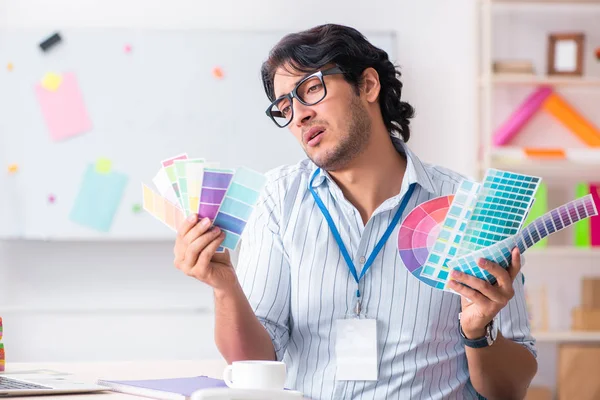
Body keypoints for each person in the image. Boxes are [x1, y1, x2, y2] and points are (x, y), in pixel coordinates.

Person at [173, 24, 537, 400]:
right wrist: (224, 289)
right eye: (285, 107)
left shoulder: (467, 207)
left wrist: (478, 333)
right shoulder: (279, 199)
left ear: (367, 85)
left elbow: (510, 390)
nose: (298, 116)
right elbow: (255, 364)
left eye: (311, 89)